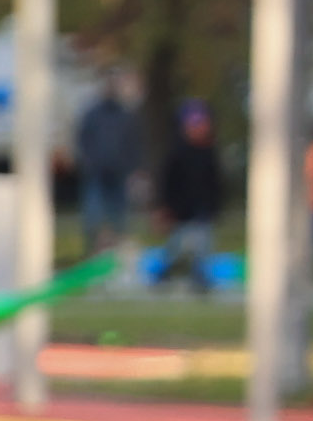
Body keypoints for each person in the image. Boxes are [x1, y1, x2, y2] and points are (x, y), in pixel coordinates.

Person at [154, 98, 229, 290]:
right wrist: (166, 207)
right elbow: (168, 182)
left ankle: (200, 276)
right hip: (181, 210)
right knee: (176, 246)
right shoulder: (177, 152)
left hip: (202, 209)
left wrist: (215, 205)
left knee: (203, 245)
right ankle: (163, 273)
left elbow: (215, 183)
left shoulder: (209, 152)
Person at [73, 81, 142, 250]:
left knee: (119, 218)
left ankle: (116, 254)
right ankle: (91, 252)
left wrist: (132, 167)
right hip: (96, 173)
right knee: (93, 216)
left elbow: (133, 143)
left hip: (118, 174)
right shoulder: (92, 114)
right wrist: (89, 162)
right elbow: (82, 140)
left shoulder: (125, 115)